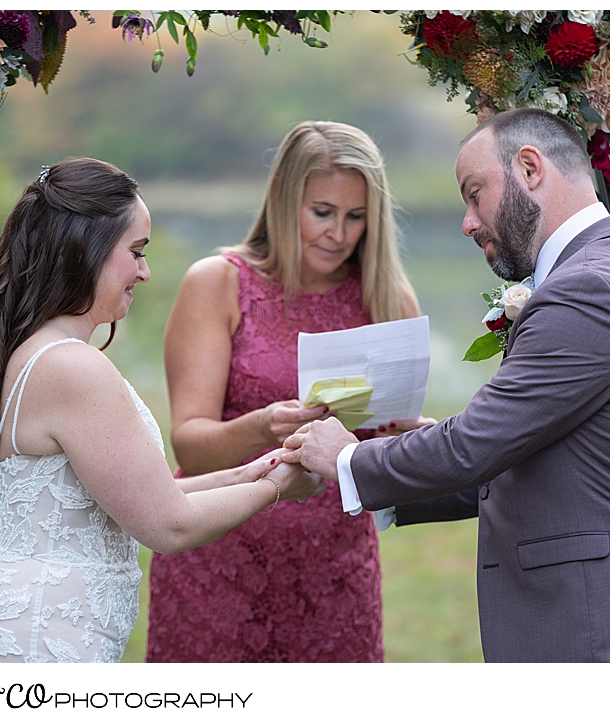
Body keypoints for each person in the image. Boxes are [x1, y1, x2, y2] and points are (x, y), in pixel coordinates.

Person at [284, 108, 610, 663]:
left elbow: (473, 446)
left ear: (530, 168)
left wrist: (347, 461)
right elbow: (516, 453)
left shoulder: (588, 289)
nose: (468, 222)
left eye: (475, 193)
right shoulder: (598, 269)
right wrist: (379, 461)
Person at [0, 158, 322, 663]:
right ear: (86, 250)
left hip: (35, 625)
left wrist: (250, 472)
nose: (145, 272)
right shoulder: (72, 368)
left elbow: (140, 495)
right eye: (136, 252)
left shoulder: (42, 352)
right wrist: (277, 489)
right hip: (38, 642)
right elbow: (167, 525)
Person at [144, 121, 430, 662]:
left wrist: (407, 437)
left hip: (335, 567)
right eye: (322, 212)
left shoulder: (388, 296)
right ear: (282, 197)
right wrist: (260, 425)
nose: (339, 234)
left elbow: (389, 444)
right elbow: (188, 446)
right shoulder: (218, 282)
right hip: (221, 558)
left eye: (356, 217)